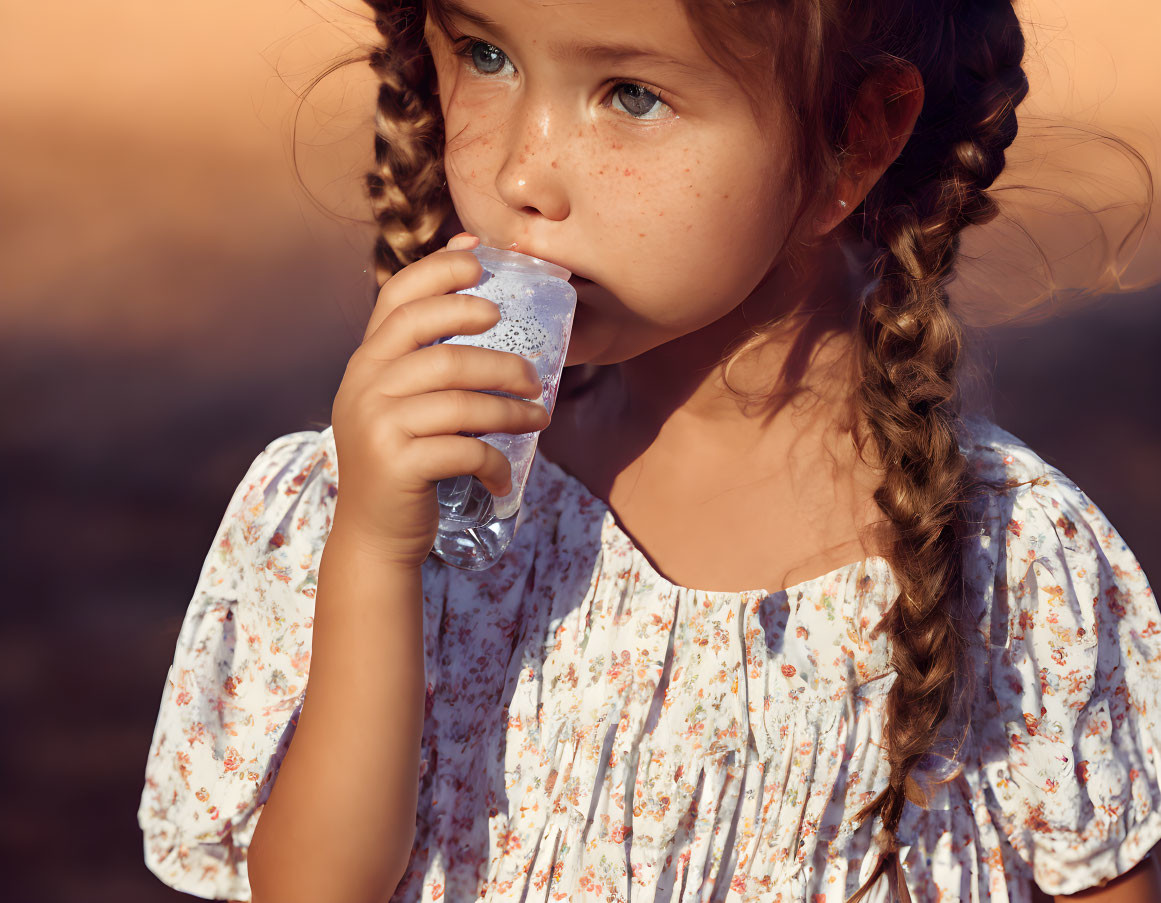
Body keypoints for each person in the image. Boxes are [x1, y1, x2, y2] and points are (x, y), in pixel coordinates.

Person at [136, 0, 1161, 900]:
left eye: (629, 94)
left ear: (857, 136)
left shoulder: (1010, 559)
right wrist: (372, 552)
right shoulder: (380, 499)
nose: (522, 171)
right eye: (486, 55)